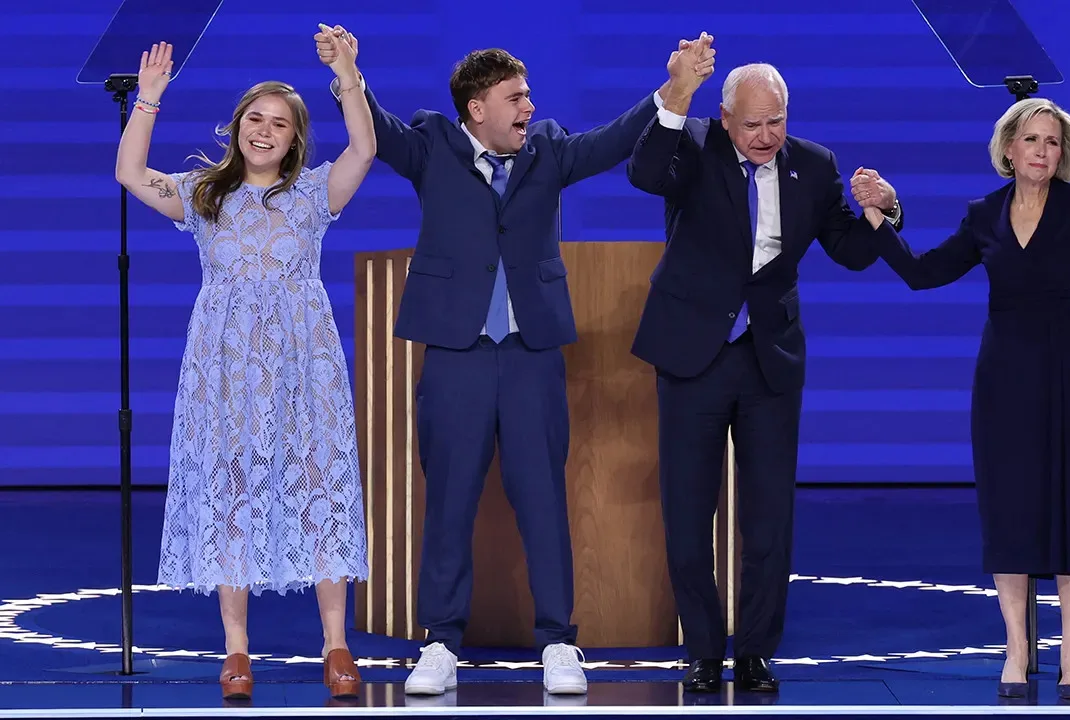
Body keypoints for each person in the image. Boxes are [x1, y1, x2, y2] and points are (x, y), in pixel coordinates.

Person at [317, 27, 715, 696]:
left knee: (543, 501)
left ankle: (559, 641)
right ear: (477, 108)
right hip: (456, 357)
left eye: (529, 96)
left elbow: (615, 141)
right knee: (448, 503)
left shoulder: (549, 150)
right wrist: (348, 73)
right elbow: (376, 130)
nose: (528, 107)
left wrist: (675, 90)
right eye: (516, 97)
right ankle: (440, 641)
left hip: (531, 357)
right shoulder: (433, 145)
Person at [859, 77, 1070, 701]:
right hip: (1006, 377)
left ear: (1061, 153)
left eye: (1053, 141)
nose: (1042, 151)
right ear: (1010, 149)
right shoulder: (982, 216)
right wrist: (880, 219)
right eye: (1032, 140)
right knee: (1012, 508)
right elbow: (923, 273)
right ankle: (1017, 649)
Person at [625, 60, 903, 693]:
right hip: (694, 350)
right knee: (689, 509)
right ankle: (700, 649)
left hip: (768, 356)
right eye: (753, 124)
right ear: (726, 119)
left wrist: (885, 209)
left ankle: (753, 650)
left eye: (776, 121)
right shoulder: (693, 144)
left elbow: (853, 253)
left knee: (769, 515)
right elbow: (643, 173)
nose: (766, 135)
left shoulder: (814, 164)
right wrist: (675, 96)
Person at [115, 30, 375, 701]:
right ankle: (236, 651)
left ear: (295, 139)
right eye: (255, 119)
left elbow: (366, 148)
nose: (265, 131)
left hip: (304, 368)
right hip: (225, 371)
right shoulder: (204, 194)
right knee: (231, 492)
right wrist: (148, 101)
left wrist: (346, 72)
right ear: (237, 129)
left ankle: (336, 645)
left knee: (318, 484)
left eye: (280, 123)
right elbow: (129, 175)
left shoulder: (316, 196)